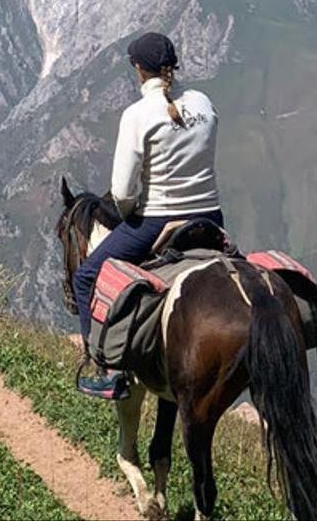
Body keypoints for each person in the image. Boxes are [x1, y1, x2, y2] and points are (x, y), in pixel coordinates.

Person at [73, 32, 224, 399]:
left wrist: (125, 215)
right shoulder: (203, 102)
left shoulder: (138, 115)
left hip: (158, 219)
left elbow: (124, 192)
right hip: (211, 218)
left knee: (86, 276)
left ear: (138, 70)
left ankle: (105, 367)